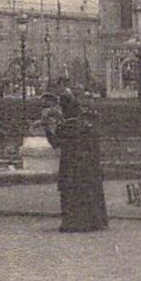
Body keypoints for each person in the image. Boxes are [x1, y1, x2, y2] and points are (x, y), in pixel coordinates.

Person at [47, 89, 108, 232]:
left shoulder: (67, 126)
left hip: (70, 166)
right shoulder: (86, 124)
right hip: (89, 165)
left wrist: (48, 129)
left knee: (70, 193)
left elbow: (56, 142)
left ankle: (72, 223)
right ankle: (95, 221)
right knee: (89, 192)